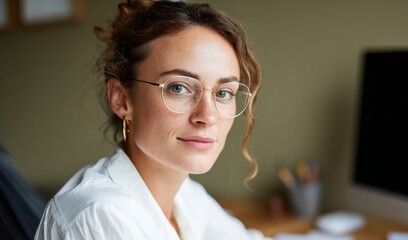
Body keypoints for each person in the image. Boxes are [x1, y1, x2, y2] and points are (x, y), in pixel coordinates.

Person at [35, 0, 268, 239]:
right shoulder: (99, 216)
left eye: (223, 93)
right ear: (121, 99)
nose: (207, 116)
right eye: (179, 88)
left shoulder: (187, 197)